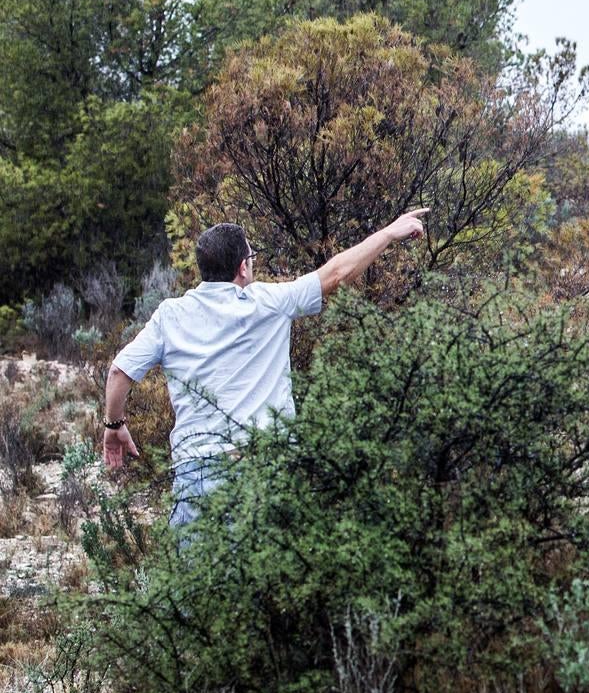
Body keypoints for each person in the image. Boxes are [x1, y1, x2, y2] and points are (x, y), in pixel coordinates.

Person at [100, 209, 429, 525]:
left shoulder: (170, 314)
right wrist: (388, 233)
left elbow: (119, 372)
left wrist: (114, 424)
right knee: (271, 579)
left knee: (199, 578)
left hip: (196, 469)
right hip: (265, 464)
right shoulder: (268, 303)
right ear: (243, 267)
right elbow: (338, 273)